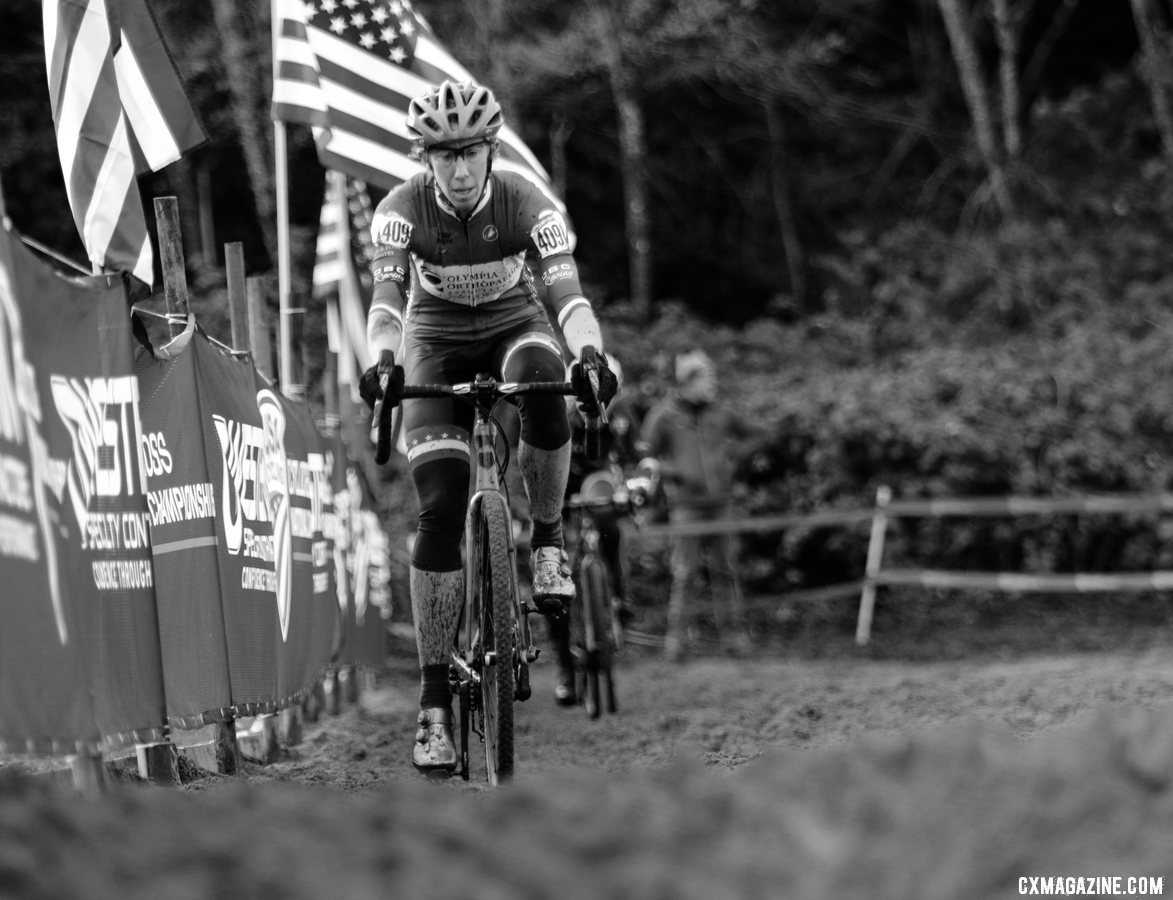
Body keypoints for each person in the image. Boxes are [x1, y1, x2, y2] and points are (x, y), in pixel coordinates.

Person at [359, 80, 616, 775]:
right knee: (439, 506)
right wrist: (381, 364)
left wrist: (590, 354)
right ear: (426, 160)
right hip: (433, 342)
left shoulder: (530, 203)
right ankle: (434, 702)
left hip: (514, 326)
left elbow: (567, 295)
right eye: (444, 156)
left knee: (544, 373)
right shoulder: (397, 211)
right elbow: (385, 303)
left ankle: (549, 541)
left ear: (491, 150)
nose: (460, 169)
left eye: (470, 152)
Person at [640, 349, 768, 662]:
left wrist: (734, 458)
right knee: (685, 574)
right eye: (707, 379)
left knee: (726, 570)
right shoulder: (663, 416)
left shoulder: (721, 413)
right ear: (688, 382)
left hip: (721, 505)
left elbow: (761, 435)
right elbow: (645, 459)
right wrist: (675, 473)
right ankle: (677, 642)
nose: (713, 386)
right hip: (686, 507)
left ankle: (734, 638)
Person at [548, 357, 642, 705]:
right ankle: (565, 669)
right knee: (554, 580)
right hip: (560, 489)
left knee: (609, 527)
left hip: (600, 487)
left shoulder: (621, 415)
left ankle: (618, 595)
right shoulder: (559, 412)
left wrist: (635, 487)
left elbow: (637, 458)